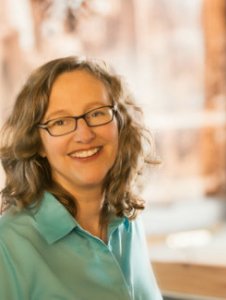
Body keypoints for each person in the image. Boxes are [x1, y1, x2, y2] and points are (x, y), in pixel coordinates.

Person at [0, 56, 162, 300]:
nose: (84, 134)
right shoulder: (7, 245)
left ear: (120, 123)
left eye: (96, 113)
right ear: (38, 143)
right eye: (61, 121)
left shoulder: (128, 221)